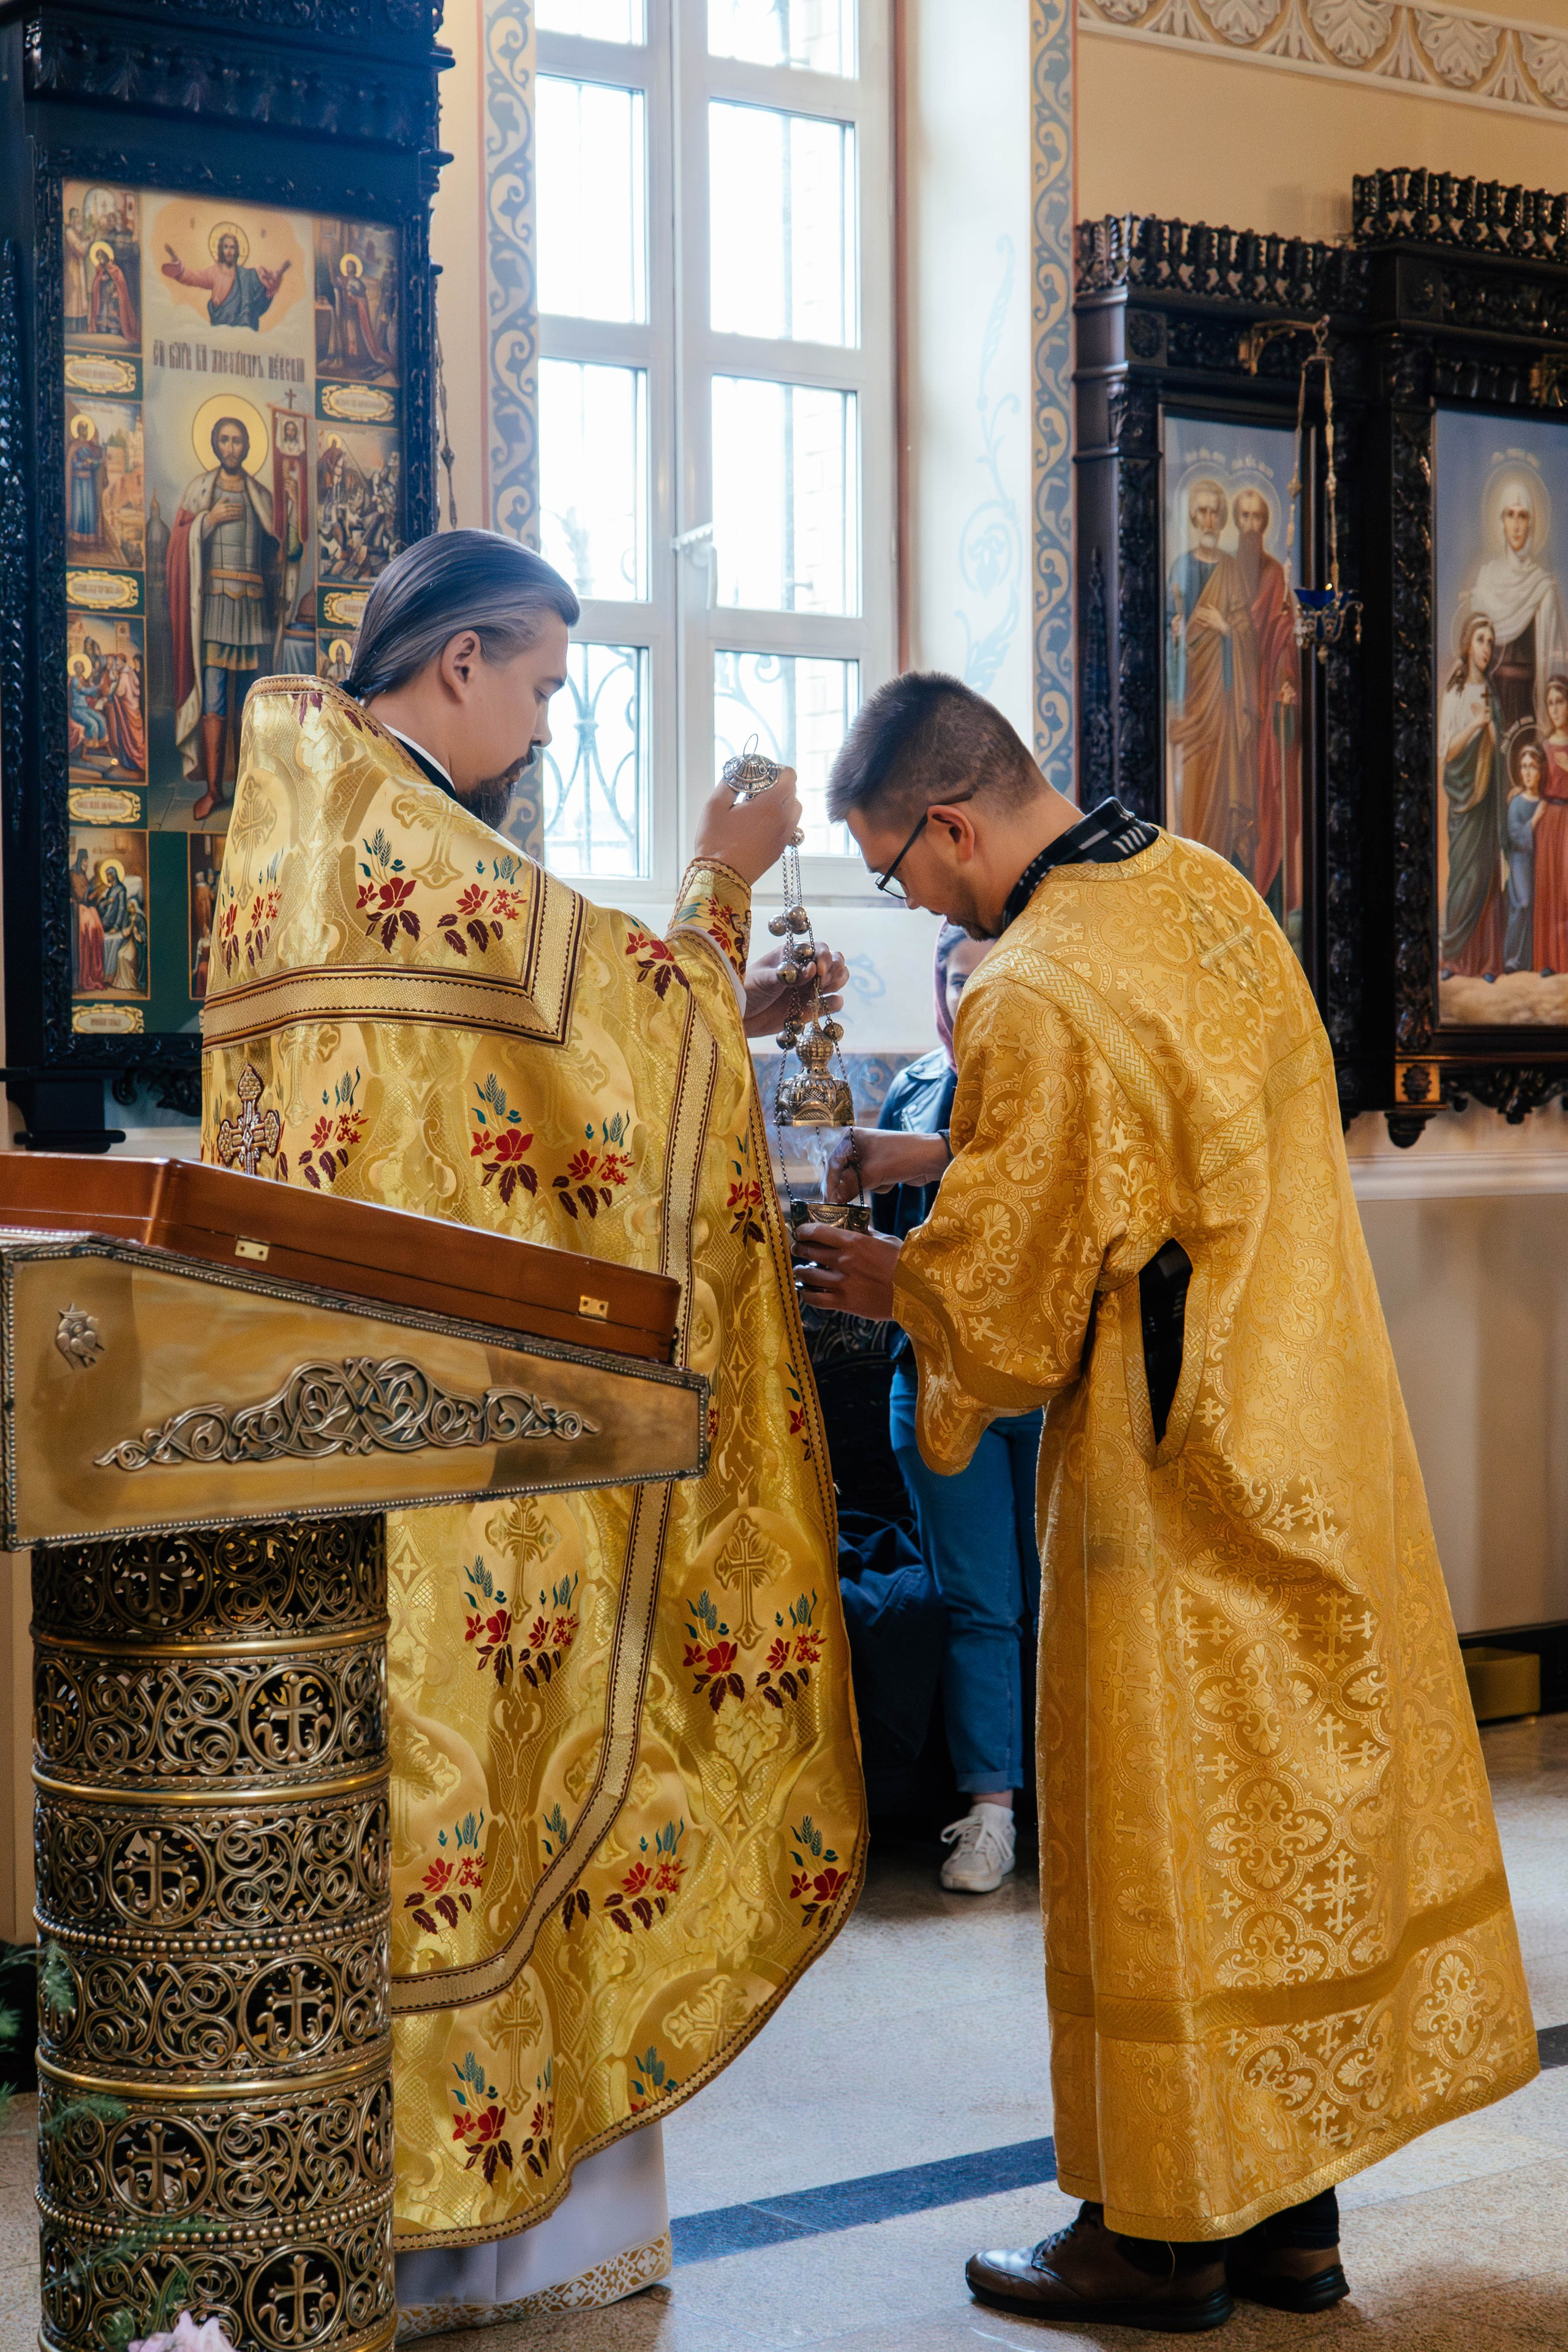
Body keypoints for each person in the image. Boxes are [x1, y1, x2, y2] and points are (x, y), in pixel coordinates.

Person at [793, 670, 1537, 2331]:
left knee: (1167, 1849)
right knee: (1276, 1830)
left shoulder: (1037, 984)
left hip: (1165, 1468)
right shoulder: (1204, 886)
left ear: (955, 823)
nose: (910, 898)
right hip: (1310, 1421)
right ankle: (1288, 2228)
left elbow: (1019, 1301)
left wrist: (885, 1288)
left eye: (897, 866)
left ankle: (1150, 2235)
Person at [200, 529, 864, 2337]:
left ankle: (404, 2213)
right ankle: (478, 2240)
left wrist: (711, 997)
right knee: (480, 1785)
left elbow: (558, 1057)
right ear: (462, 661)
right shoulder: (406, 832)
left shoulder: (307, 828)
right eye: (549, 685)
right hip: (454, 1443)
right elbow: (619, 1063)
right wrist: (718, 897)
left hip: (334, 1424)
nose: (550, 721)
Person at [874, 924, 1041, 1893]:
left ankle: (1083, 1796)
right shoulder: (912, 1091)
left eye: (984, 982)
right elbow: (899, 1255)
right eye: (952, 980)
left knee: (1060, 1596)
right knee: (983, 1604)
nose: (965, 998)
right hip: (939, 1380)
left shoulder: (1049, 1093)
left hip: (1048, 1378)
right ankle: (991, 1813)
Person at [167, 415, 277, 821]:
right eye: (224, 440)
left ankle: (248, 787)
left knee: (250, 702)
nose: (231, 447)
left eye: (238, 441)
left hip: (249, 606)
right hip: (214, 604)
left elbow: (281, 547)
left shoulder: (260, 494)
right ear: (215, 445)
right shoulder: (200, 490)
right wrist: (206, 522)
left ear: (247, 448)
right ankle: (215, 789)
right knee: (214, 699)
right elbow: (178, 540)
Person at [1166, 478, 1259, 875]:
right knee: (1191, 794)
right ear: (1192, 517)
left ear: (1222, 519)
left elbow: (1245, 633)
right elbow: (1170, 635)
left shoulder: (1232, 568)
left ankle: (1219, 876)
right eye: (1201, 511)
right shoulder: (1181, 567)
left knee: (1222, 794)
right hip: (1189, 708)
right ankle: (1190, 875)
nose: (1209, 518)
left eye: (1215, 512)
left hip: (1221, 704)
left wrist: (1225, 628)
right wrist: (1173, 638)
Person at [1233, 486, 1299, 921]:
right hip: (1232, 711)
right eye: (1245, 517)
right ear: (1235, 521)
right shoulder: (1224, 574)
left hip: (1267, 714)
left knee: (1270, 802)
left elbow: (1284, 641)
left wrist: (1287, 682)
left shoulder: (1276, 574)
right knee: (1235, 804)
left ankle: (1270, 902)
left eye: (1260, 519)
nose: (1253, 526)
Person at [1460, 472, 1565, 737]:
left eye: (1523, 515)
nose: (1517, 525)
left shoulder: (1542, 587)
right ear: (1501, 522)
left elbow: (1552, 666)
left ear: (1532, 523)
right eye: (1510, 515)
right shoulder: (1486, 580)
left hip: (1529, 705)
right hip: (1490, 698)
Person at [1439, 612, 1506, 979]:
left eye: (1491, 643)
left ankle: (1488, 962)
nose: (1486, 649)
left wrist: (1491, 729)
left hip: (1487, 801)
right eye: (1481, 640)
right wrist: (1476, 726)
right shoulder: (1456, 692)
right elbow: (1447, 751)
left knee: (1486, 873)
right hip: (1464, 800)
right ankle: (1454, 959)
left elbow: (1499, 750)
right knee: (1463, 876)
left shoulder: (1491, 694)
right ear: (1467, 643)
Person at [162, 227, 289, 331]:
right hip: (220, 335)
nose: (229, 251)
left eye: (233, 247)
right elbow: (192, 278)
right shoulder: (214, 272)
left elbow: (264, 293)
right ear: (221, 250)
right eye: (226, 247)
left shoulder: (247, 276)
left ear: (237, 250)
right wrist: (176, 264)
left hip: (243, 336)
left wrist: (274, 281)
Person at [1534, 673, 1568, 975]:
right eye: (1551, 704)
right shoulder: (1544, 746)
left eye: (1561, 702)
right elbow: (1538, 787)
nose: (1556, 709)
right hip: (1550, 821)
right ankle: (1549, 960)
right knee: (1551, 886)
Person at [1504, 734, 1545, 973]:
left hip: (1539, 860)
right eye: (1523, 767)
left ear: (1540, 770)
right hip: (1520, 860)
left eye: (1532, 767)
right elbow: (1516, 837)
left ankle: (1530, 959)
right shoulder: (1517, 803)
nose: (1527, 772)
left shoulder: (1545, 801)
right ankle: (1511, 959)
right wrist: (1536, 820)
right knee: (1523, 902)